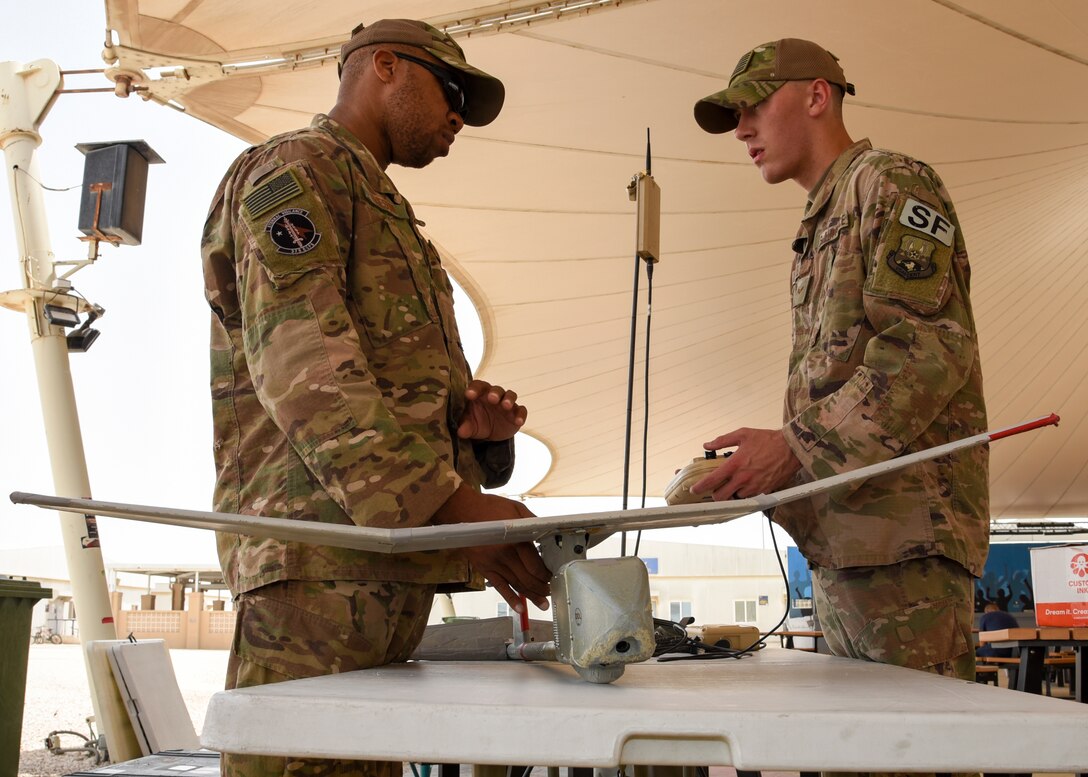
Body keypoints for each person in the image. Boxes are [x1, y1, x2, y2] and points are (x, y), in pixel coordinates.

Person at [201, 18, 551, 777]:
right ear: (383, 66)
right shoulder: (294, 172)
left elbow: (401, 406)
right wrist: (453, 511)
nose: (458, 115)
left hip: (387, 570)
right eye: (451, 90)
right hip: (317, 572)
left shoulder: (394, 218)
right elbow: (305, 370)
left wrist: (482, 439)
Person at [690, 39, 988, 684]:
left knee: (914, 750)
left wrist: (792, 446)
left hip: (904, 543)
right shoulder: (825, 213)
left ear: (817, 96)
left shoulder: (890, 182)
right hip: (852, 541)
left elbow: (926, 350)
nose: (741, 130)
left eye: (753, 108)